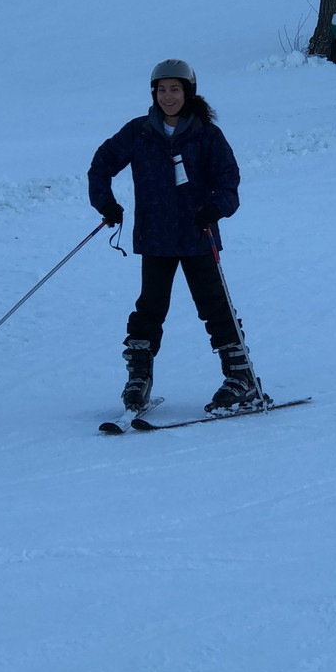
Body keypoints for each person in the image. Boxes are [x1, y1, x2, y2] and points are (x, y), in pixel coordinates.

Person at [88, 59, 264, 413]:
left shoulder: (206, 134)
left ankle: (241, 378)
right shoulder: (138, 132)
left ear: (189, 93)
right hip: (155, 237)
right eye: (162, 89)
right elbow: (101, 165)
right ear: (153, 93)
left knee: (215, 306)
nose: (168, 97)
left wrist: (217, 207)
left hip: (198, 235)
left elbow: (228, 180)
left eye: (175, 89)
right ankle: (138, 378)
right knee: (150, 309)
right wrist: (105, 203)